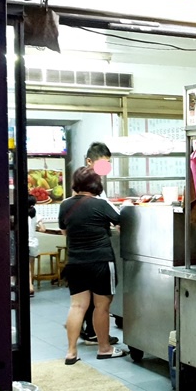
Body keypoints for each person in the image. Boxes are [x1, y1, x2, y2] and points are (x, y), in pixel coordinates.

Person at [59, 166, 127, 364]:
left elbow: (65, 232)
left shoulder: (65, 205)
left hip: (75, 262)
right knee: (101, 307)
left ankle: (71, 352)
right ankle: (104, 348)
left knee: (77, 306)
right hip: (101, 261)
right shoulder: (101, 204)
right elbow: (123, 225)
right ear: (96, 184)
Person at [79, 142, 119, 345]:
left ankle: (87, 332)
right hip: (96, 252)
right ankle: (95, 335)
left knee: (82, 299)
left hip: (80, 253)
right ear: (89, 162)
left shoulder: (85, 186)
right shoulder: (91, 188)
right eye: (104, 164)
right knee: (98, 298)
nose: (106, 168)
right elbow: (111, 212)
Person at [27, 195, 46, 297]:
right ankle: (30, 285)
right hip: (33, 243)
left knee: (26, 267)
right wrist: (35, 229)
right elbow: (43, 229)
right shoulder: (36, 214)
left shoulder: (19, 213)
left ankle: (29, 286)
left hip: (24, 243)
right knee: (30, 266)